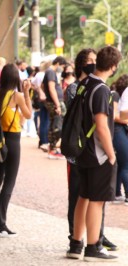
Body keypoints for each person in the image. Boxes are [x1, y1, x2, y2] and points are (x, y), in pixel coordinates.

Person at [66, 46, 121, 262]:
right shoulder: (102, 90)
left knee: (83, 197)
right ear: (114, 66)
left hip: (81, 151)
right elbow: (102, 126)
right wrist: (111, 154)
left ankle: (75, 244)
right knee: (97, 201)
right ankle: (92, 247)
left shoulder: (84, 84)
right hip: (97, 153)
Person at [0, 64, 32, 236]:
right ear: (15, 79)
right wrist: (26, 93)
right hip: (12, 141)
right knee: (9, 181)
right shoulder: (16, 95)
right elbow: (28, 115)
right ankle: (0, 222)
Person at [42, 56, 67, 159]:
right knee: (57, 126)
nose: (61, 68)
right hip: (54, 102)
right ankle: (53, 149)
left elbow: (42, 86)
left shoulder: (48, 72)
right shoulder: (51, 72)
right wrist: (57, 104)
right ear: (58, 63)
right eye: (62, 66)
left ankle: (52, 148)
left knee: (54, 124)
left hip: (52, 101)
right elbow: (51, 88)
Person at [111, 75, 128, 204]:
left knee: (122, 163)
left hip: (120, 128)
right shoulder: (116, 95)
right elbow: (115, 115)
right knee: (125, 163)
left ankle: (116, 193)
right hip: (118, 128)